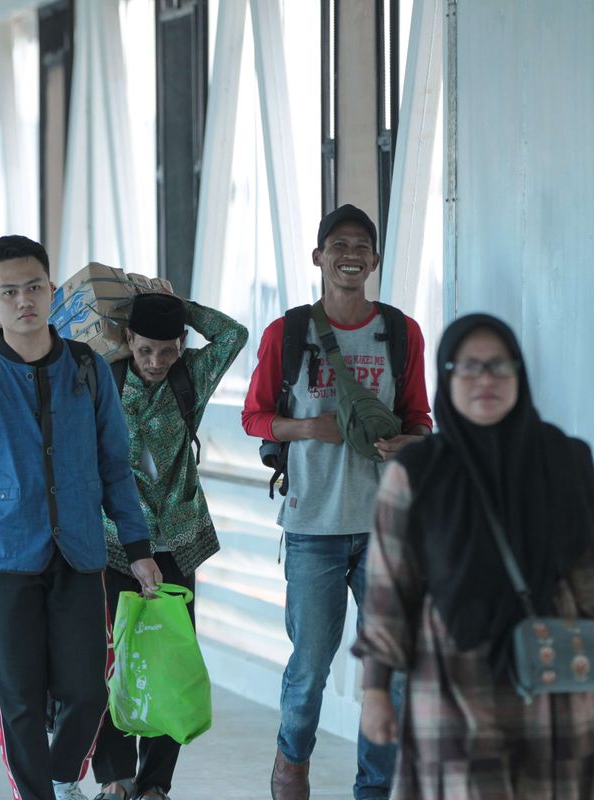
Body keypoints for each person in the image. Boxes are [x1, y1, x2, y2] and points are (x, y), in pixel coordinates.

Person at [0, 235, 163, 800]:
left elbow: (116, 465)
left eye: (34, 287)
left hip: (80, 553)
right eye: (9, 291)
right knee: (20, 700)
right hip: (4, 557)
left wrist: (138, 547)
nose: (24, 300)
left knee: (88, 691)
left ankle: (61, 776)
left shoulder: (88, 369)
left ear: (52, 291)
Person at [352, 315, 594, 799]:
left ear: (520, 375)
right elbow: (389, 589)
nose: (485, 379)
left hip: (557, 676)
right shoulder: (418, 472)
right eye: (468, 367)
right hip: (454, 683)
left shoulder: (568, 459)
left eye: (499, 366)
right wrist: (376, 690)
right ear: (447, 377)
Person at [241, 204, 433, 800]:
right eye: (338, 244)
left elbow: (420, 418)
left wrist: (410, 443)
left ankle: (375, 789)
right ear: (319, 256)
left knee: (393, 671)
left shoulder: (401, 331)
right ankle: (290, 763)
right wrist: (307, 429)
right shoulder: (288, 332)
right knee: (310, 667)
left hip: (384, 528)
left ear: (375, 260)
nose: (350, 254)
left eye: (362, 246)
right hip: (312, 526)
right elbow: (254, 418)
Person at [93, 292, 247, 800]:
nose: (156, 362)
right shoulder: (104, 379)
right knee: (111, 660)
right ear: (129, 340)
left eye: (167, 350)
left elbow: (232, 335)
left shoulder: (189, 378)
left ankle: (156, 783)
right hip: (114, 541)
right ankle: (115, 777)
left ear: (180, 345)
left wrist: (179, 303)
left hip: (177, 542)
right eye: (145, 350)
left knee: (167, 659)